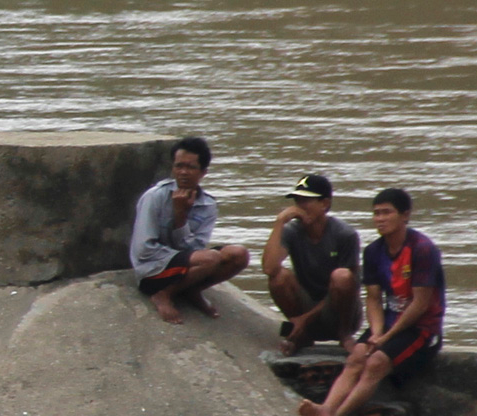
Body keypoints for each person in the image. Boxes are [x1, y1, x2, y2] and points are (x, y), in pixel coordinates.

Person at [298, 188, 446, 416]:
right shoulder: (374, 251)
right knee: (357, 354)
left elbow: (420, 304)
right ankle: (325, 409)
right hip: (389, 324)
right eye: (376, 213)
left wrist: (386, 339)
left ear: (405, 215)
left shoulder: (421, 249)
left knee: (375, 362)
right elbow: (374, 299)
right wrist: (376, 333)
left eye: (387, 213)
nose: (380, 219)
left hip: (421, 329)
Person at [129, 136, 250, 323]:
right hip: (154, 268)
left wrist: (180, 218)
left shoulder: (207, 204)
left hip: (185, 262)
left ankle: (192, 289)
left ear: (203, 172)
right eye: (179, 166)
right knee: (210, 258)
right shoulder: (155, 197)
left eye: (190, 167)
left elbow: (197, 247)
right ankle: (163, 294)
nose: (183, 172)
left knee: (239, 254)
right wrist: (177, 257)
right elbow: (143, 250)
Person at [262, 173, 360, 355]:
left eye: (306, 201)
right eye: (298, 201)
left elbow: (350, 285)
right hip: (305, 306)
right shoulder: (292, 231)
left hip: (339, 311)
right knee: (279, 277)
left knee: (341, 277)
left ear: (325, 204)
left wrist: (304, 319)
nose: (300, 207)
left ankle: (344, 335)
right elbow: (269, 268)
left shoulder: (345, 235)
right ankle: (303, 336)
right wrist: (279, 222)